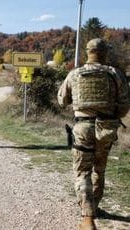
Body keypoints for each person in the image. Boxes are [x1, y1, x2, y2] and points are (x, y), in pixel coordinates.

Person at [57, 38, 130, 230]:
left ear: (87, 52)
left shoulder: (75, 74)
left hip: (82, 128)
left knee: (83, 172)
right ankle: (95, 206)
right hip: (106, 129)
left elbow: (62, 100)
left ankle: (87, 218)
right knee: (99, 169)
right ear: (105, 53)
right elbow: (124, 108)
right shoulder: (115, 74)